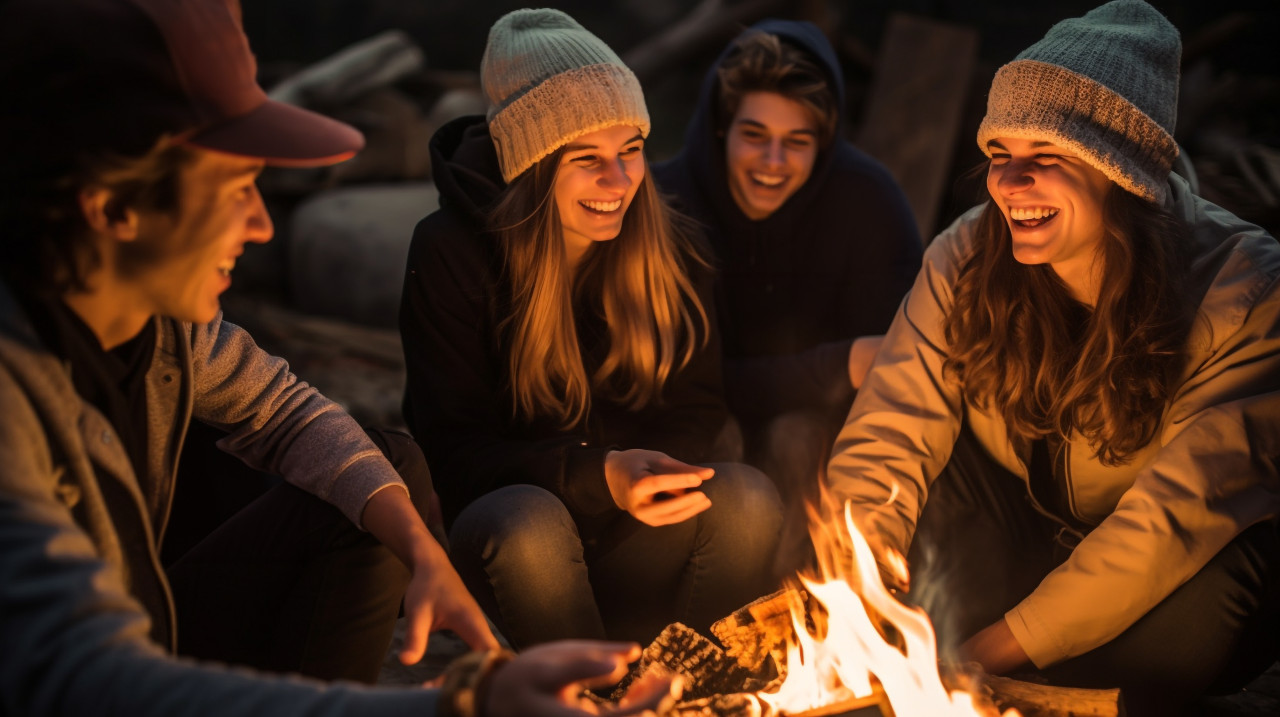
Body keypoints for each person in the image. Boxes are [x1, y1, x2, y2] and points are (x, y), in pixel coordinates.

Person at [0, 0, 679, 715]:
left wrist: (421, 549)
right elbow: (83, 679)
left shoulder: (164, 328)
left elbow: (289, 415)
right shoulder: (14, 395)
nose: (262, 224)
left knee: (381, 472)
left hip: (152, 625)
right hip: (105, 683)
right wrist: (465, 705)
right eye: (235, 189)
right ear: (112, 208)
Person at [824, 1, 1280, 712]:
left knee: (1177, 634)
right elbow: (890, 433)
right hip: (1024, 526)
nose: (1008, 185)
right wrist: (859, 604)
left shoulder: (1244, 288)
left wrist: (977, 659)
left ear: (1121, 171)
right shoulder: (967, 253)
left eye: (1046, 157)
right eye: (999, 156)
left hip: (1173, 567)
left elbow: (1170, 520)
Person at [400, 8, 784, 650]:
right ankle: (581, 689)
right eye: (587, 159)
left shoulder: (670, 244)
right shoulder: (451, 252)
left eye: (630, 150)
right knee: (530, 524)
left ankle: (691, 684)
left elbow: (698, 406)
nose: (619, 180)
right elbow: (455, 454)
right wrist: (596, 476)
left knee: (746, 499)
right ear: (533, 165)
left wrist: (648, 481)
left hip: (636, 533)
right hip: (521, 544)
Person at [652, 20, 922, 518]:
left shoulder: (869, 204)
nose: (773, 161)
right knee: (718, 439)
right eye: (754, 135)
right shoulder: (662, 207)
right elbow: (671, 384)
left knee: (799, 437)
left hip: (820, 439)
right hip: (688, 429)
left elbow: (891, 368)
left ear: (825, 143)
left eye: (797, 141)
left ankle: (816, 572)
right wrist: (837, 366)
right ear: (721, 127)